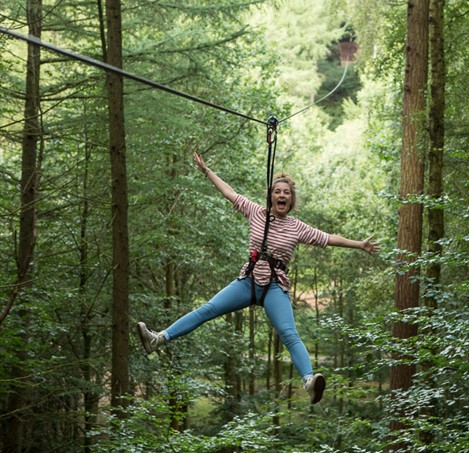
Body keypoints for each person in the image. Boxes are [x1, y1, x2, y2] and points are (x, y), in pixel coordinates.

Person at [136, 151, 380, 405]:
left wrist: (359, 244)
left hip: (275, 287)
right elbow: (229, 193)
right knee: (207, 310)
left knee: (289, 332)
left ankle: (308, 381)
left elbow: (328, 238)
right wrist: (207, 171)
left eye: (286, 192)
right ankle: (158, 338)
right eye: (278, 191)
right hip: (248, 281)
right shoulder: (256, 213)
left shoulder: (297, 227)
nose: (282, 195)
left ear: (291, 199)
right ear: (271, 196)